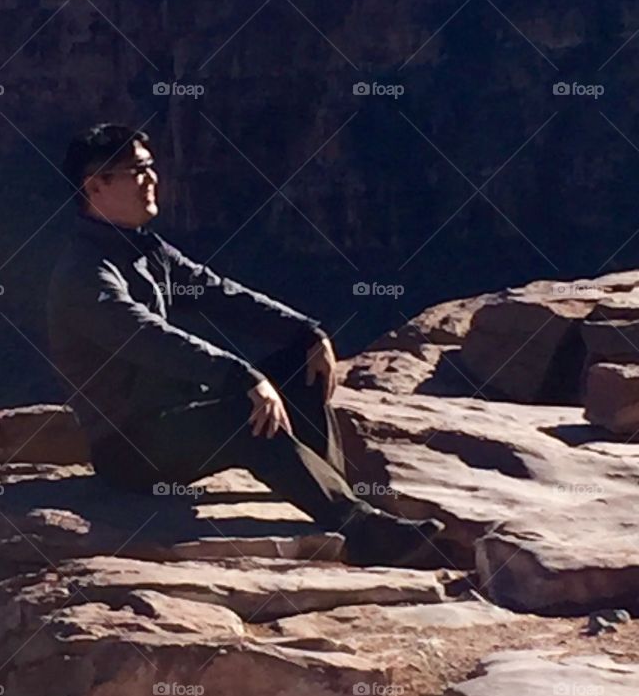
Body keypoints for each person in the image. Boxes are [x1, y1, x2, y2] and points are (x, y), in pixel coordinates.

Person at [46, 122, 443, 566]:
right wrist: (242, 377)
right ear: (95, 187)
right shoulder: (85, 274)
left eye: (149, 166)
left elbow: (219, 293)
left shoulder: (144, 250)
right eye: (136, 171)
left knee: (300, 365)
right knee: (246, 413)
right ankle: (360, 528)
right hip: (131, 445)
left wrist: (305, 332)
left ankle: (338, 500)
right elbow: (147, 338)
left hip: (178, 417)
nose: (152, 179)